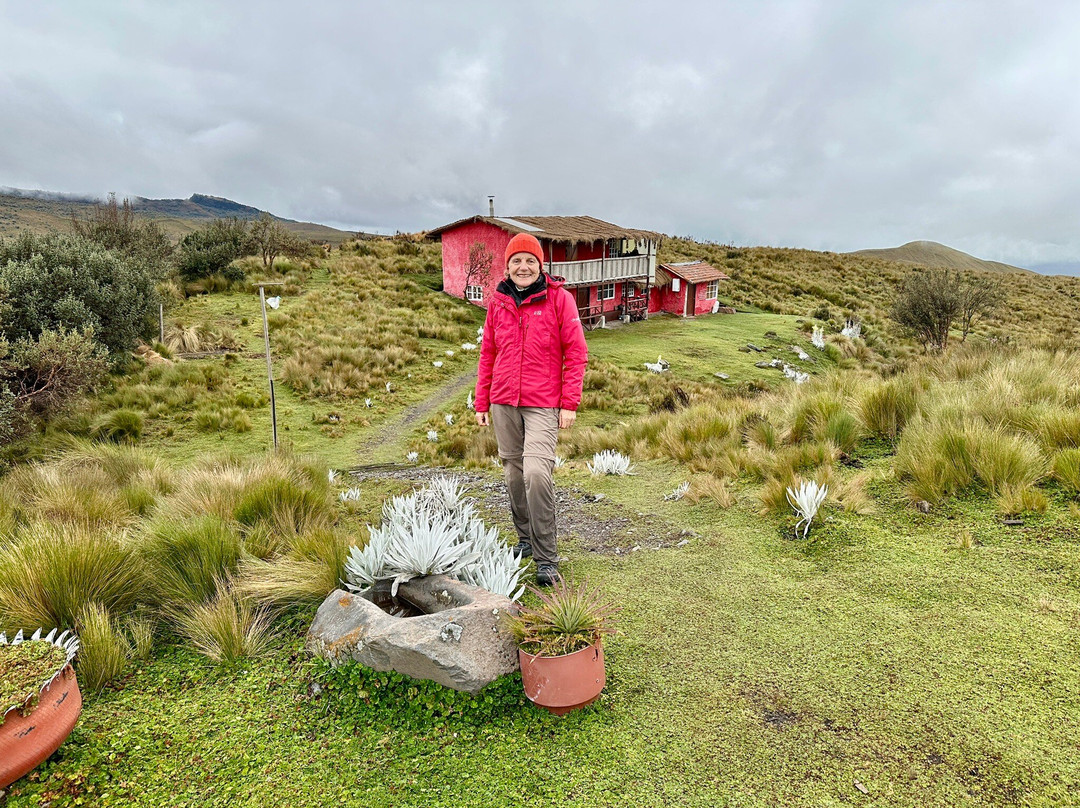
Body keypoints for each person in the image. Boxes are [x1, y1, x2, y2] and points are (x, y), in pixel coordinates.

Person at [474, 232, 588, 586]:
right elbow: (488, 352)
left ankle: (547, 557)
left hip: (543, 404)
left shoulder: (560, 300)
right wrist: (482, 400)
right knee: (512, 474)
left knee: (536, 474)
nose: (523, 267)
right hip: (503, 400)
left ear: (541, 265)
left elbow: (577, 353)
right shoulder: (498, 301)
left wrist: (569, 404)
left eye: (530, 261)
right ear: (507, 267)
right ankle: (524, 539)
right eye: (516, 261)